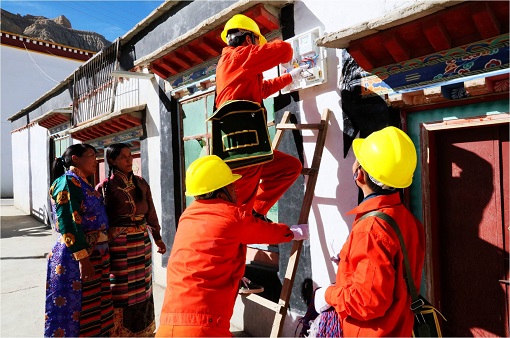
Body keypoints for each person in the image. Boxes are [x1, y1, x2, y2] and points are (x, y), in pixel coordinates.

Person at [156, 155, 309, 337]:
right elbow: (266, 232)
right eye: (231, 186)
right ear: (220, 193)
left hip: (169, 321)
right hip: (204, 325)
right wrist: (294, 232)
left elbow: (208, 255)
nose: (235, 191)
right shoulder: (231, 216)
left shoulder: (188, 215)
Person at [216, 13, 306, 294]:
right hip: (242, 154)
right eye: (256, 40)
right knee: (237, 216)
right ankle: (231, 274)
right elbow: (284, 50)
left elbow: (262, 89)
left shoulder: (239, 67)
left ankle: (258, 212)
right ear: (247, 38)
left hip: (254, 151)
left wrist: (292, 77)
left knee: (288, 167)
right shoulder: (236, 56)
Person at [314, 126, 426, 336]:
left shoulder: (370, 230)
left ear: (360, 175)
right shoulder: (407, 220)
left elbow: (367, 302)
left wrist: (326, 295)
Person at [96, 143, 167, 337]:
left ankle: (142, 329)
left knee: (142, 285)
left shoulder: (142, 184)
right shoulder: (104, 187)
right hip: (118, 244)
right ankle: (118, 330)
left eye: (130, 156)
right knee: (120, 286)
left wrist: (158, 237)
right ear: (112, 160)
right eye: (123, 157)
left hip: (141, 241)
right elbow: (98, 218)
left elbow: (150, 213)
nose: (129, 160)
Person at [45, 144, 113, 337]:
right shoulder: (67, 182)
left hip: (95, 252)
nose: (95, 160)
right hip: (76, 255)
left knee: (94, 306)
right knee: (76, 308)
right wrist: (83, 259)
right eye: (91, 156)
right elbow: (69, 221)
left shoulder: (82, 183)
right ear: (75, 159)